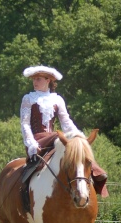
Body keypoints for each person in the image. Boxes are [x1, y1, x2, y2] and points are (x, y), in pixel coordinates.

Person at [19, 66, 108, 211]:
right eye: (34, 79)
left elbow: (66, 123)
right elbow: (24, 124)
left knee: (78, 149)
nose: (35, 81)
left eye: (38, 79)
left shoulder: (57, 99)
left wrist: (79, 137)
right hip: (38, 141)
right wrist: (31, 144)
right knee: (59, 137)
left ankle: (95, 174)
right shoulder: (28, 99)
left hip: (55, 138)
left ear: (48, 80)